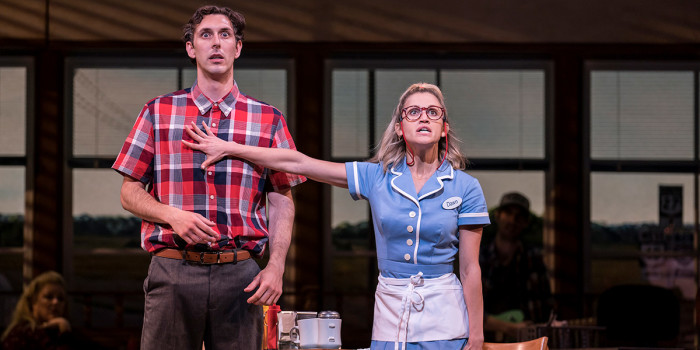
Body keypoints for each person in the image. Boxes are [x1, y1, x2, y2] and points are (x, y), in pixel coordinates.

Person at [183, 82, 491, 350]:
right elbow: (299, 162)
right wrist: (231, 148)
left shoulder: (465, 187)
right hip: (393, 312)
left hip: (445, 314)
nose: (423, 116)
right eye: (413, 111)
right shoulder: (378, 177)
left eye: (433, 111)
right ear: (400, 127)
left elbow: (469, 270)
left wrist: (476, 337)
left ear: (444, 127)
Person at [112, 5, 305, 350]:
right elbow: (129, 191)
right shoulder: (158, 112)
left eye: (225, 35)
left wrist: (276, 266)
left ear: (238, 47)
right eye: (206, 35)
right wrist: (172, 215)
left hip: (241, 276)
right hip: (173, 271)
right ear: (191, 48)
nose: (216, 43)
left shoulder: (268, 119)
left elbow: (281, 198)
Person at [479, 192, 553, 341]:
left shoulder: (533, 258)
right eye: (508, 213)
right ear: (498, 216)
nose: (513, 220)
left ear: (526, 222)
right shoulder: (481, 256)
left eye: (519, 216)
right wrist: (506, 327)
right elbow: (465, 308)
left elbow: (545, 306)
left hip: (527, 340)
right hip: (487, 340)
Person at [1, 271, 73, 350]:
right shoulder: (22, 334)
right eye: (49, 297)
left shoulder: (62, 330)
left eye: (61, 299)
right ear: (33, 301)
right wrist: (65, 335)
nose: (55, 302)